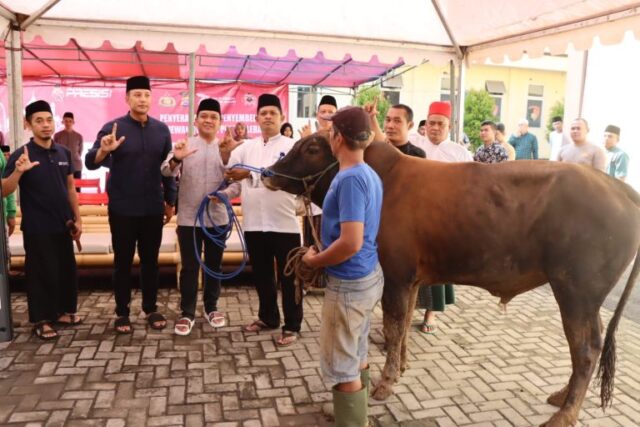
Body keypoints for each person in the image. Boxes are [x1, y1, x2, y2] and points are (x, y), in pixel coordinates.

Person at [302, 106, 383, 427]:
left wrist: (314, 260)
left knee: (343, 361)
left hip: (349, 282)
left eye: (330, 132)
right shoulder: (368, 172)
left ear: (337, 138)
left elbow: (351, 242)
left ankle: (352, 420)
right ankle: (351, 411)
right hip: (367, 276)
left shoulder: (350, 179)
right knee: (357, 350)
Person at [85, 76, 177, 334]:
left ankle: (150, 308)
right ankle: (122, 312)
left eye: (146, 95)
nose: (142, 99)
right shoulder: (113, 128)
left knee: (151, 261)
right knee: (122, 262)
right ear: (127, 98)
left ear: (151, 98)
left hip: (152, 208)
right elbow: (90, 161)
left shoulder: (162, 130)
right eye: (137, 95)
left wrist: (170, 201)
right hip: (123, 208)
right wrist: (105, 151)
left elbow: (168, 169)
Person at [225, 93, 303, 346]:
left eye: (273, 113)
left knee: (290, 277)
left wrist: (249, 174)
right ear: (256, 118)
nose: (268, 117)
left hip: (285, 224)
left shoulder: (293, 148)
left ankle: (292, 325)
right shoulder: (245, 148)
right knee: (261, 274)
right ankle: (268, 318)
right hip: (255, 224)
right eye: (264, 113)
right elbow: (234, 183)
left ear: (282, 117)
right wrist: (223, 195)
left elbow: (285, 180)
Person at [2, 100, 82, 340]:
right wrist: (18, 171)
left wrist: (77, 219)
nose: (45, 125)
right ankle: (41, 320)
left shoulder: (63, 152)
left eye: (48, 120)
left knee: (65, 270)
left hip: (63, 224)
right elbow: (4, 190)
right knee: (40, 273)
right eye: (39, 121)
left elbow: (70, 187)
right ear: (28, 125)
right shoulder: (21, 155)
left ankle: (62, 313)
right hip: (37, 227)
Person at [161, 99, 240, 336]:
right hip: (188, 219)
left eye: (213, 117)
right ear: (195, 121)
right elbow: (165, 170)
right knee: (189, 267)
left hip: (217, 218)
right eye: (203, 116)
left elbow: (237, 184)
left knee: (214, 266)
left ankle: (211, 307)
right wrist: (177, 158)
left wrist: (224, 194)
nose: (208, 120)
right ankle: (187, 312)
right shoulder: (185, 145)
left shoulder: (227, 148)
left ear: (220, 122)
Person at [415, 101, 470, 333]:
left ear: (450, 126)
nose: (435, 128)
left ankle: (431, 314)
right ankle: (406, 310)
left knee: (437, 269)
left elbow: (469, 187)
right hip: (413, 218)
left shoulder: (460, 153)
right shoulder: (412, 144)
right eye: (431, 123)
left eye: (440, 124)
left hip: (442, 221)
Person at [54, 112, 84, 182]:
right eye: (66, 121)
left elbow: (80, 151)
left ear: (73, 122)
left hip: (76, 165)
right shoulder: (57, 136)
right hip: (62, 164)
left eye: (70, 121)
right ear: (62, 122)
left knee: (77, 189)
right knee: (63, 188)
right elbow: (55, 151)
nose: (68, 123)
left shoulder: (79, 136)